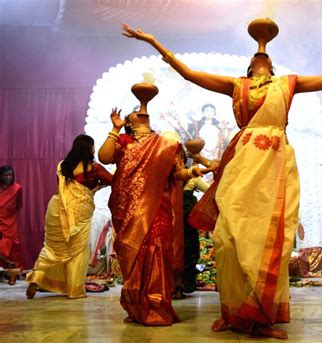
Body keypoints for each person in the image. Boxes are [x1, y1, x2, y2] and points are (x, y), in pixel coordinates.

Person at [122, 21, 322, 339]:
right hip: (241, 162)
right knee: (227, 239)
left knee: (268, 240)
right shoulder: (236, 86)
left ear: (271, 65)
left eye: (266, 56)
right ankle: (234, 312)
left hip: (275, 164)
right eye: (257, 55)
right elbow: (189, 74)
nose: (261, 56)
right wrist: (153, 41)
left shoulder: (288, 84)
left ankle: (260, 317)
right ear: (249, 66)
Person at [98, 105, 211, 326]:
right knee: (135, 253)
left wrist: (192, 172)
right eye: (136, 111)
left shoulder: (165, 144)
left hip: (157, 207)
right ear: (129, 121)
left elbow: (176, 172)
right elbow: (104, 157)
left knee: (157, 249)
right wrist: (114, 129)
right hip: (127, 208)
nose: (142, 111)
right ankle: (136, 305)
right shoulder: (122, 142)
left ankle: (156, 304)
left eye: (145, 111)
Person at [26, 134, 113, 299]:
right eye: (93, 146)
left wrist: (94, 188)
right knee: (78, 252)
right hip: (78, 214)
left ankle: (36, 277)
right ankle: (74, 290)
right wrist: (98, 186)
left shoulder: (63, 166)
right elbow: (114, 181)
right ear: (89, 148)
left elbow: (67, 191)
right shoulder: (94, 169)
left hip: (55, 209)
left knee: (51, 248)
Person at [174, 172, 210, 298]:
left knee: (172, 251)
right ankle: (181, 285)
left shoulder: (168, 175)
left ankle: (171, 287)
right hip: (186, 221)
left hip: (169, 217)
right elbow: (210, 190)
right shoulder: (192, 178)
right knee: (188, 251)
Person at [0, 165, 22, 285]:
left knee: (13, 249)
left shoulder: (17, 188)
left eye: (10, 175)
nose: (8, 177)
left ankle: (12, 275)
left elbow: (18, 205)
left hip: (10, 223)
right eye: (5, 175)